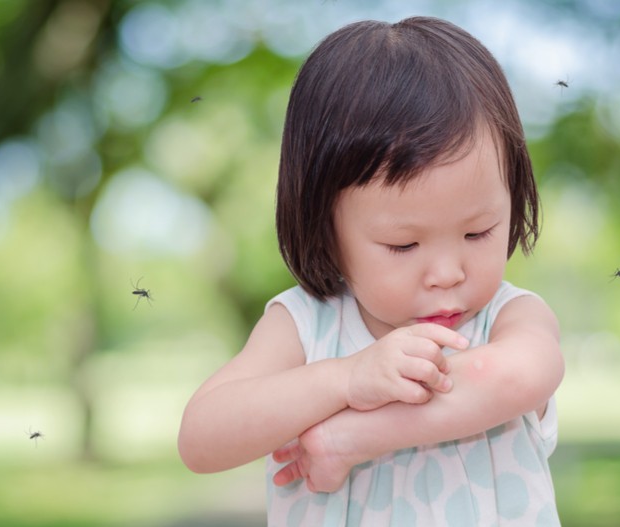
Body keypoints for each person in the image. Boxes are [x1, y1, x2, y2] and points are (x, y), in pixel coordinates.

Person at [177, 16, 564, 526]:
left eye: (478, 233)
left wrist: (352, 437)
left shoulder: (507, 319)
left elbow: (521, 375)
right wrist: (347, 379)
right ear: (324, 228)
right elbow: (201, 439)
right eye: (403, 244)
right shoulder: (306, 327)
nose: (447, 273)